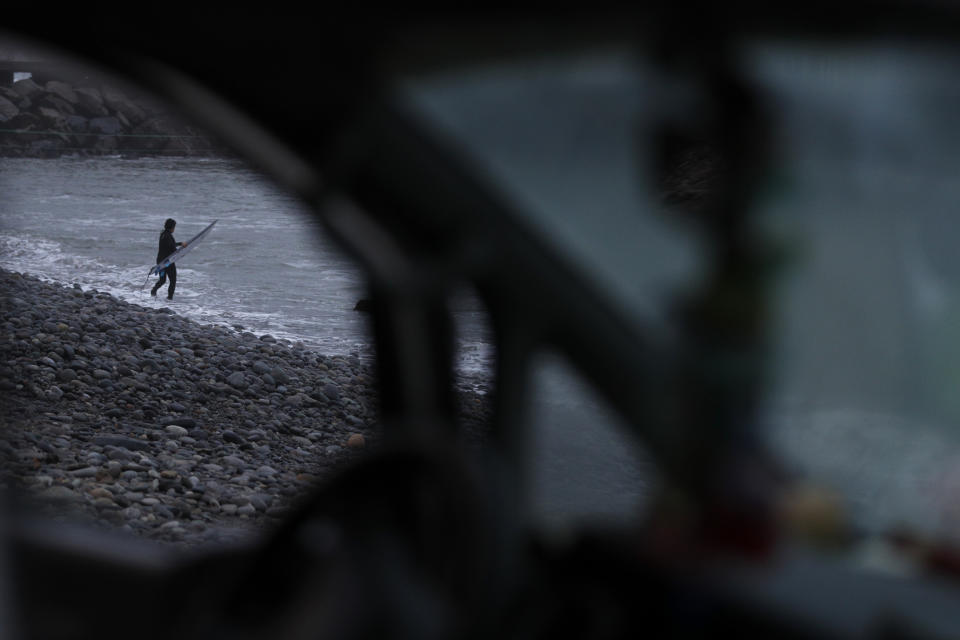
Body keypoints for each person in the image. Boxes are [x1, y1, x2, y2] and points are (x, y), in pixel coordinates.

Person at [151, 218, 187, 300]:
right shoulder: (168, 236)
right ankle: (169, 298)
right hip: (168, 262)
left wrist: (180, 245)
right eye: (174, 227)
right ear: (172, 227)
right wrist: (181, 250)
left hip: (161, 262)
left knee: (162, 280)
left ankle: (153, 290)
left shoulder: (163, 234)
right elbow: (171, 247)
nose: (174, 229)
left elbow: (171, 245)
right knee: (173, 280)